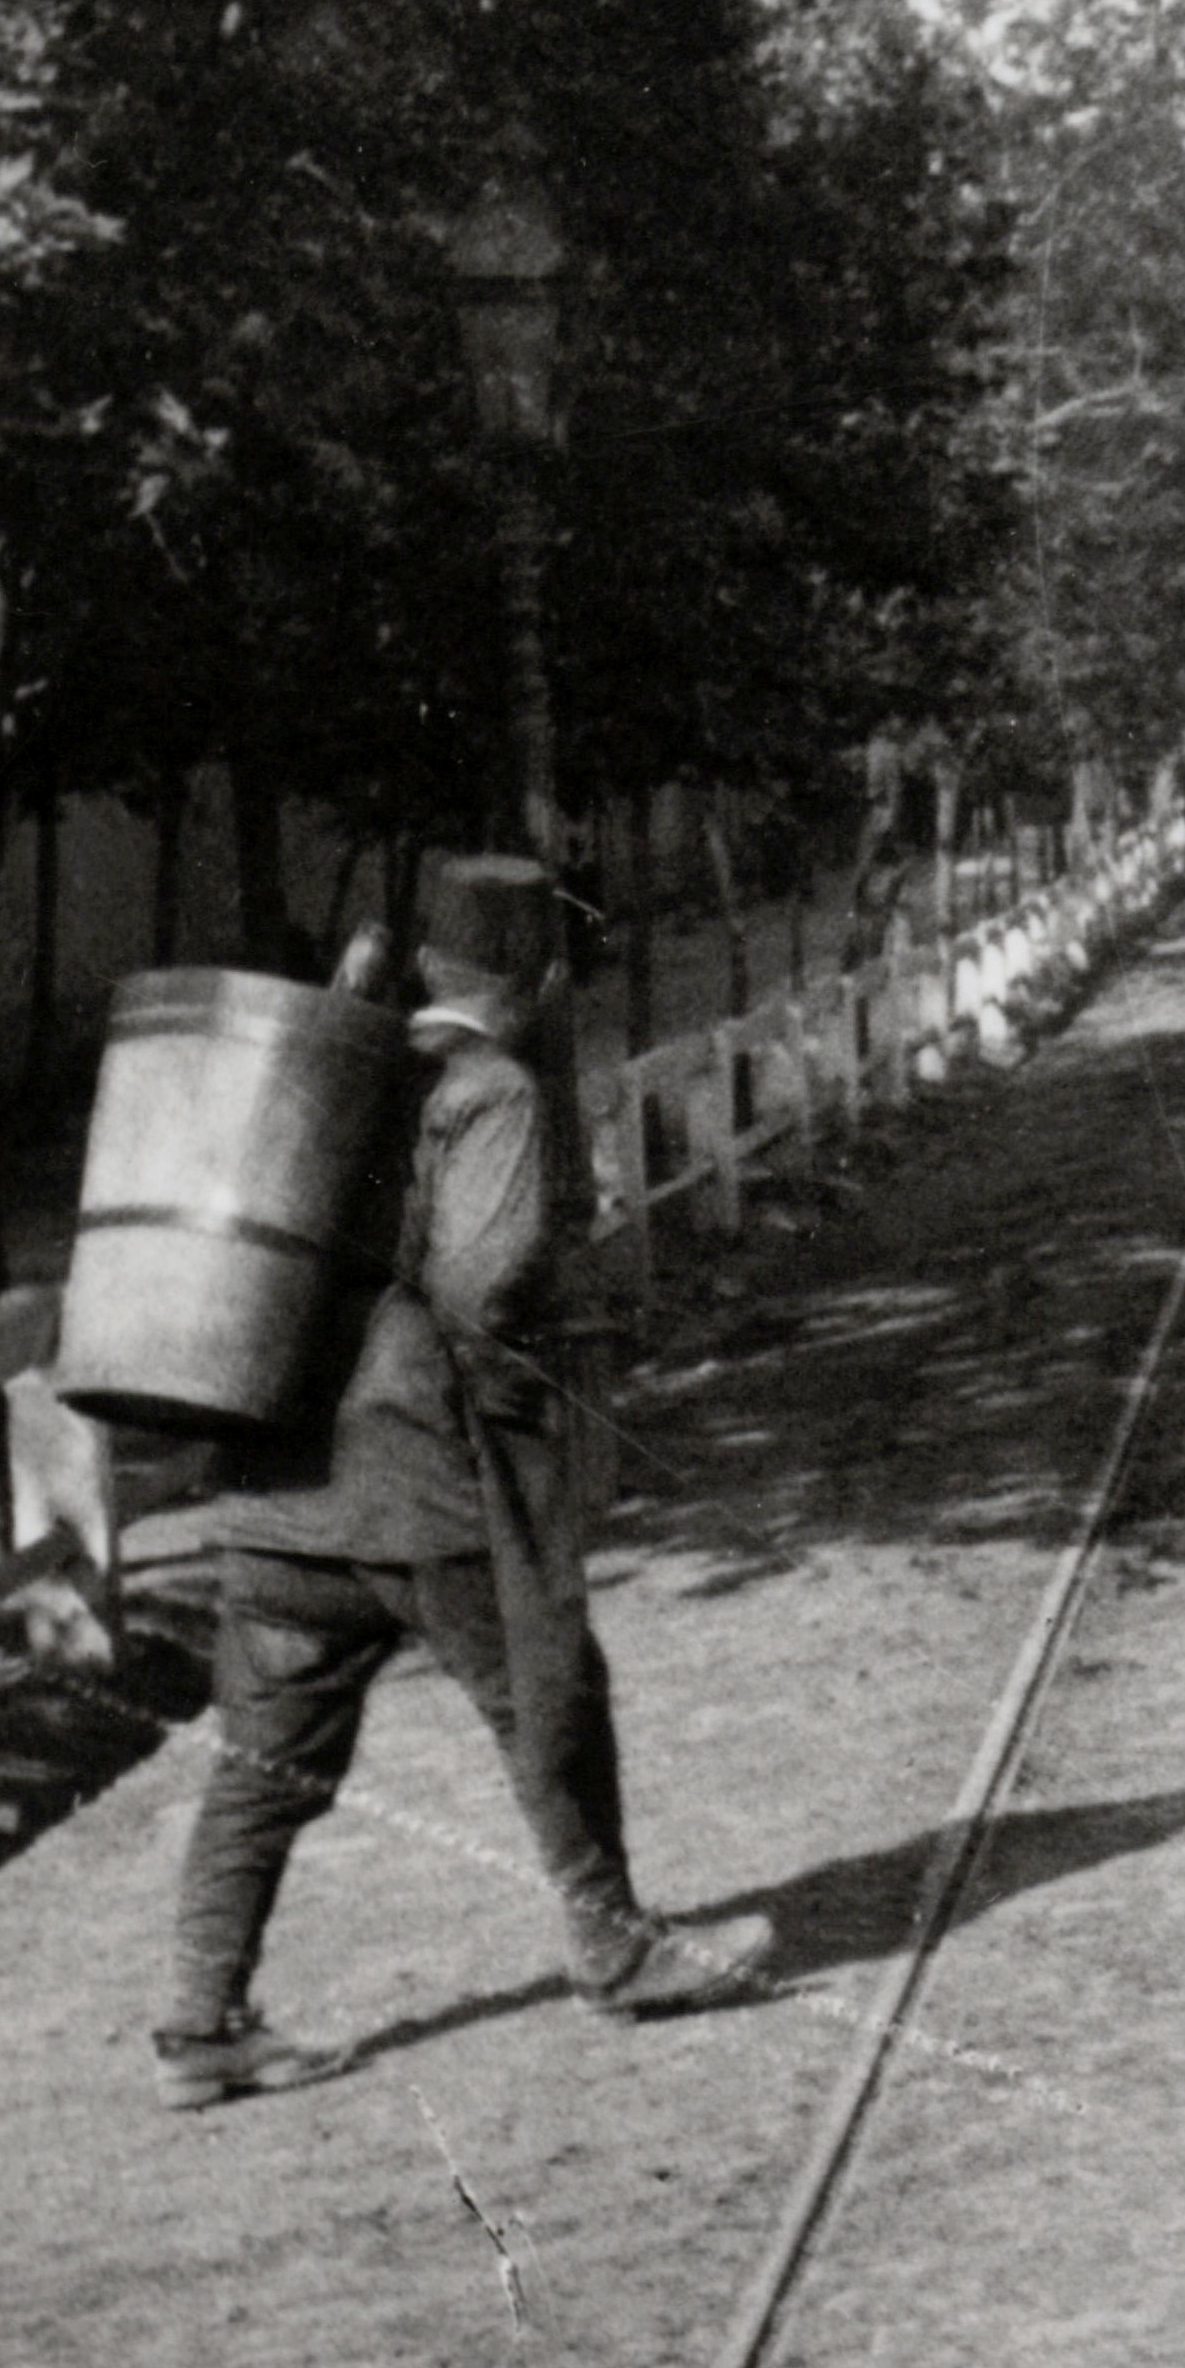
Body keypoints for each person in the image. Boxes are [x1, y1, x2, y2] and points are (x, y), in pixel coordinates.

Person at [151, 855, 768, 2109]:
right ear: (540, 976)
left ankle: (200, 2024)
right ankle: (613, 1944)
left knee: (263, 1759)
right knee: (549, 1691)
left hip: (277, 1481)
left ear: (429, 966)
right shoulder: (489, 1091)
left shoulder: (331, 1067)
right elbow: (481, 1282)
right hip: (418, 1483)